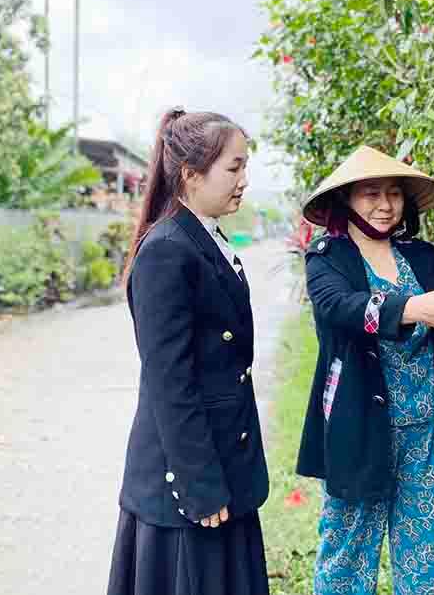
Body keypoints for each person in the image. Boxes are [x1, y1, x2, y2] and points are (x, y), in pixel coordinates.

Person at [296, 145, 434, 595]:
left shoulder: (422, 257)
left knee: (425, 552)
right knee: (348, 554)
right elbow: (341, 308)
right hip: (360, 426)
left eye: (395, 194)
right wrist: (417, 308)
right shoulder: (328, 258)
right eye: (371, 194)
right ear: (347, 200)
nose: (385, 205)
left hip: (427, 424)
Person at [107, 107, 270, 595]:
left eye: (245, 167)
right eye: (234, 168)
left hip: (223, 462)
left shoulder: (205, 237)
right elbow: (169, 382)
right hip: (187, 483)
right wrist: (198, 484)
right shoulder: (167, 250)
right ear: (192, 174)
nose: (244, 180)